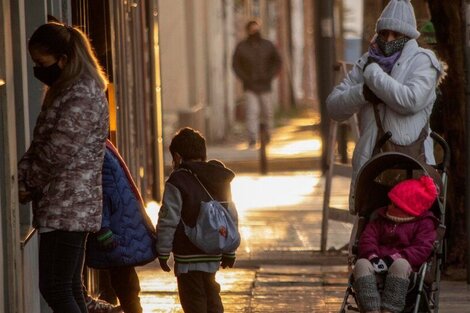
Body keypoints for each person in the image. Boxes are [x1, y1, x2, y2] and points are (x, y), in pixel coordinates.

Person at [325, 0, 442, 256]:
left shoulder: (423, 62)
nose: (388, 39)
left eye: (396, 34)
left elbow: (410, 100)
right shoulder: (367, 62)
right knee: (371, 241)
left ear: (409, 35)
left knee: (410, 239)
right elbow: (334, 107)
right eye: (384, 33)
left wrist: (375, 76)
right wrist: (363, 92)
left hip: (412, 169)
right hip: (373, 170)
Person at [18, 22, 109, 313]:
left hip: (67, 206)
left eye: (41, 63)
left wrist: (27, 182)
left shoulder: (80, 94)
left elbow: (57, 149)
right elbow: (43, 145)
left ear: (64, 59)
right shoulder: (70, 89)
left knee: (56, 287)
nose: (38, 69)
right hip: (68, 205)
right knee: (69, 287)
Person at [156, 127, 238, 313]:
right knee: (212, 295)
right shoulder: (219, 176)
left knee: (194, 301)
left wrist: (163, 251)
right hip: (213, 253)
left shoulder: (177, 181)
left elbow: (168, 219)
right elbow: (230, 216)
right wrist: (230, 250)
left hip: (187, 255)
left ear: (177, 157)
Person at [84, 139, 158, 313]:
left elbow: (101, 193)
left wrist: (103, 229)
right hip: (119, 228)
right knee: (126, 287)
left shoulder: (99, 151)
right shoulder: (105, 148)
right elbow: (104, 193)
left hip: (116, 231)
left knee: (125, 286)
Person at [353, 175, 438, 313]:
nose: (389, 206)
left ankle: (389, 309)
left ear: (408, 209)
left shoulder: (424, 224)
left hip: (406, 267)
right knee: (361, 264)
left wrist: (392, 259)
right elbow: (367, 239)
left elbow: (421, 249)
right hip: (377, 261)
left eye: (394, 204)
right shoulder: (380, 219)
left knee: (401, 264)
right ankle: (371, 309)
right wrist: (372, 256)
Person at [232, 20, 282, 147]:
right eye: (252, 30)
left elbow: (277, 61)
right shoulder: (242, 47)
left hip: (265, 85)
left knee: (267, 112)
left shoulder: (268, 45)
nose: (255, 32)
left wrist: (270, 75)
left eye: (257, 29)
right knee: (252, 112)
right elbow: (236, 65)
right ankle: (252, 138)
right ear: (248, 31)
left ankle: (267, 135)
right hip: (250, 86)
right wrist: (245, 78)